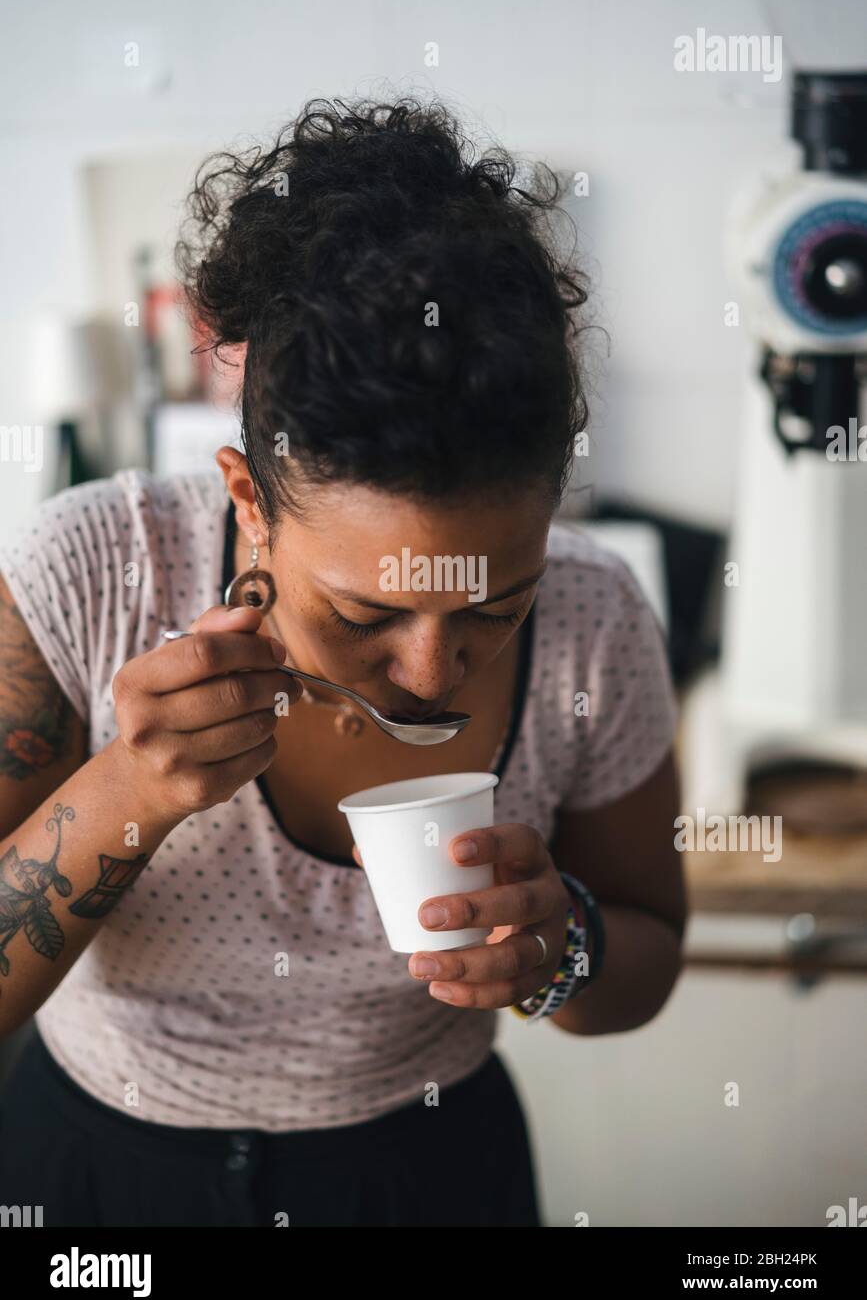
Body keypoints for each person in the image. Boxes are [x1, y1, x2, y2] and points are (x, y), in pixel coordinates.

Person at [0, 95, 686, 1227]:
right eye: (366, 614)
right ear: (246, 501)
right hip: (100, 1177)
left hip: (424, 1174)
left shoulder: (594, 616)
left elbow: (650, 952)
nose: (430, 671)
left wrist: (566, 950)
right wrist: (132, 787)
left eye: (493, 606)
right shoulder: (90, 569)